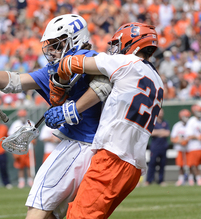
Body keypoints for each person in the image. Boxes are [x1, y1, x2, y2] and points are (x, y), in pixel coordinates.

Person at [0, 14, 111, 219]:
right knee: (53, 213)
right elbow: (16, 81)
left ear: (74, 39)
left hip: (81, 145)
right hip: (99, 150)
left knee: (37, 208)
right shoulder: (57, 67)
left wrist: (73, 109)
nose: (52, 50)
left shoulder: (90, 59)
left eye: (58, 44)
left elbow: (104, 82)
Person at [46, 22, 163, 218]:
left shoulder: (125, 63)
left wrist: (59, 87)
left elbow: (70, 63)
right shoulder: (157, 80)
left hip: (112, 157)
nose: (114, 49)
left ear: (131, 42)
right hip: (133, 167)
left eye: (117, 43)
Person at [8, 109, 35, 189]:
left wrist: (34, 141)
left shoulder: (31, 123)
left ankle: (30, 180)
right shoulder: (15, 124)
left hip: (29, 148)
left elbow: (35, 134)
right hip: (19, 148)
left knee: (29, 165)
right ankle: (21, 181)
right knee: (20, 166)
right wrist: (14, 149)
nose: (22, 117)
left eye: (24, 116)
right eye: (21, 116)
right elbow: (10, 136)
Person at [145, 108, 170, 186]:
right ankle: (149, 180)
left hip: (163, 146)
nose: (161, 113)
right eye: (160, 112)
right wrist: (161, 132)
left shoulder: (165, 123)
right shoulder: (153, 123)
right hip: (155, 146)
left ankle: (161, 180)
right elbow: (151, 132)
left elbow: (167, 133)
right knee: (152, 163)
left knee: (162, 164)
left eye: (162, 112)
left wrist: (159, 132)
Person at [170, 109, 190, 186]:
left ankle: (191, 179)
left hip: (189, 148)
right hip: (180, 148)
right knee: (180, 165)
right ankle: (181, 179)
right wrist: (180, 141)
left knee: (190, 165)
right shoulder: (177, 125)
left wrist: (186, 140)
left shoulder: (191, 125)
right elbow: (172, 138)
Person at [185, 104, 201, 186]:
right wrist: (197, 137)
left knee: (195, 164)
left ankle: (191, 179)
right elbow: (189, 135)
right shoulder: (192, 121)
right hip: (193, 146)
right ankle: (198, 179)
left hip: (199, 146)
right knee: (194, 164)